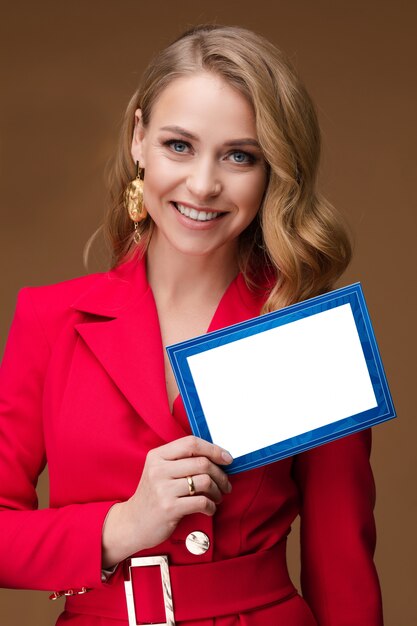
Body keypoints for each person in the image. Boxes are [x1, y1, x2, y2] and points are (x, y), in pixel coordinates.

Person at [0, 24, 383, 626]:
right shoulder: (51, 320)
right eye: (179, 145)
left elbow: (343, 570)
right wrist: (118, 527)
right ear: (138, 139)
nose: (204, 184)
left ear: (272, 172)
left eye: (239, 156)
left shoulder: (304, 333)